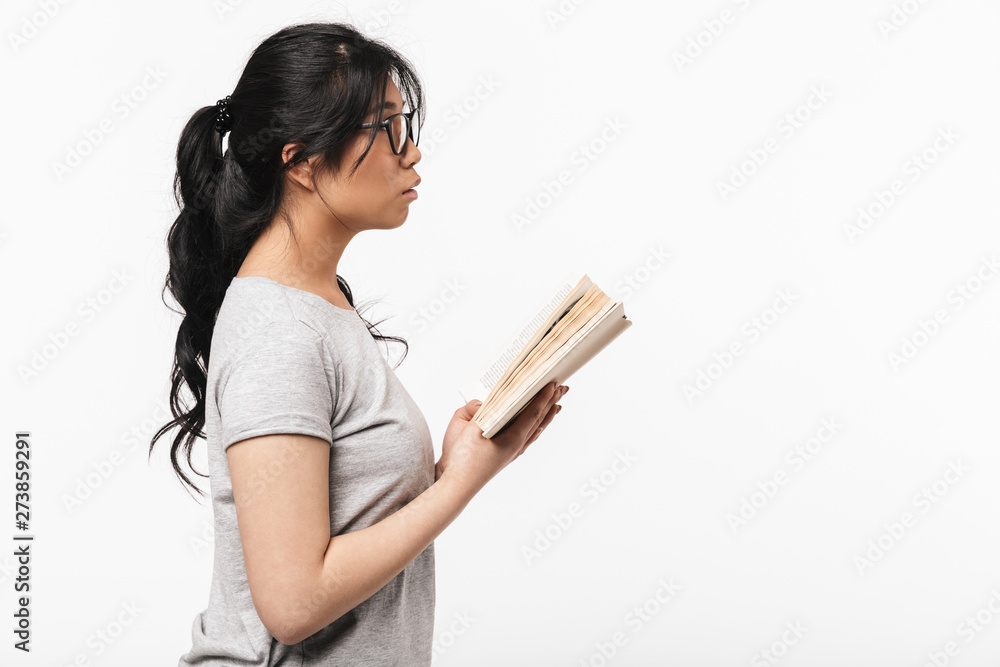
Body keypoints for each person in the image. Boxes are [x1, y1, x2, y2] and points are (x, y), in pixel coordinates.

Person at [148, 22, 568, 666]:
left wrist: (444, 474)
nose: (413, 153)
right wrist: (460, 486)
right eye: (389, 128)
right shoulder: (280, 333)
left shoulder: (316, 306)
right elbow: (294, 603)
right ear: (303, 161)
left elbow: (345, 531)